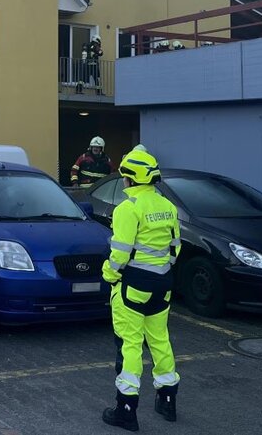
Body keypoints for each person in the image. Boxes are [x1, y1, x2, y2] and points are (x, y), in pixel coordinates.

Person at [101, 148, 181, 430]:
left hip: (132, 286)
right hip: (163, 284)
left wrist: (109, 275)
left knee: (129, 345)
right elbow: (174, 250)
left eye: (124, 177)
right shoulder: (168, 207)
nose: (123, 181)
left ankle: (126, 409)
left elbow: (120, 254)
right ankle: (167, 402)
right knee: (160, 340)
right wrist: (160, 269)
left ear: (131, 179)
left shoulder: (128, 208)